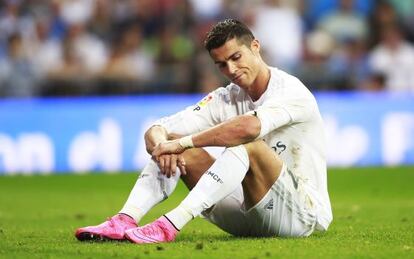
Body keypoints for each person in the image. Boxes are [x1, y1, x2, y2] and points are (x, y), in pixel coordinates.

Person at [75, 19, 333, 243]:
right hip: (247, 215)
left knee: (247, 144)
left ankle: (170, 223)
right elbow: (158, 129)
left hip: (299, 215)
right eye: (221, 64)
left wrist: (183, 143)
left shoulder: (291, 91)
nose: (230, 70)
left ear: (255, 46)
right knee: (171, 143)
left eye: (235, 58)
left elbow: (249, 127)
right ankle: (125, 218)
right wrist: (165, 145)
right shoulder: (226, 98)